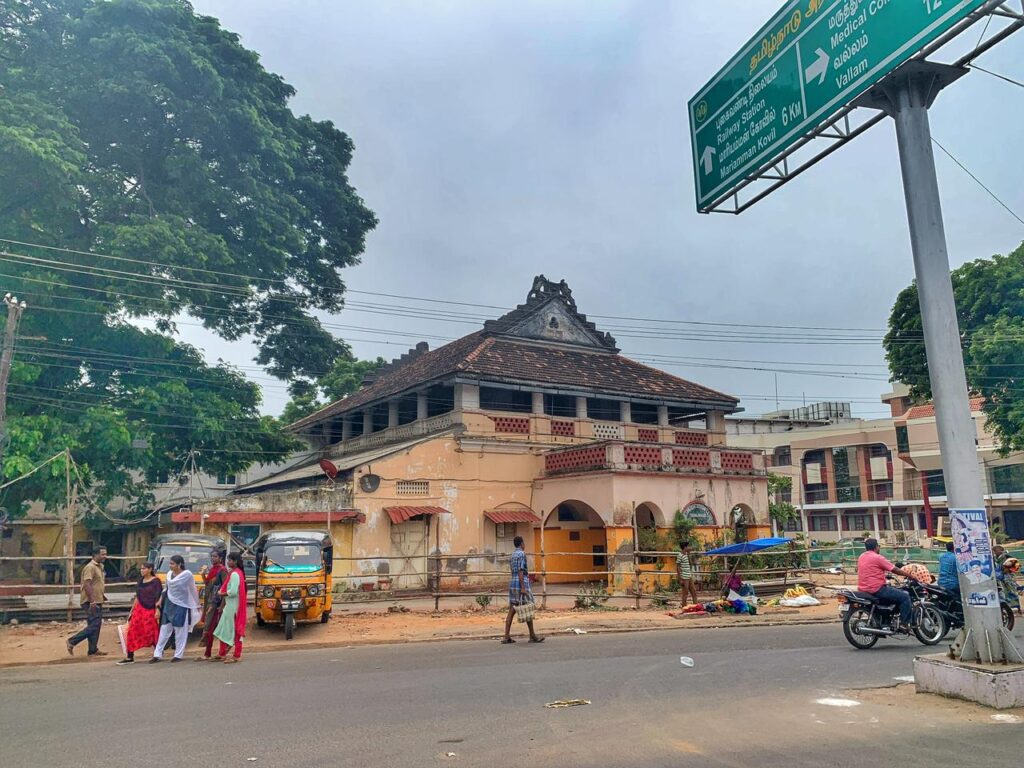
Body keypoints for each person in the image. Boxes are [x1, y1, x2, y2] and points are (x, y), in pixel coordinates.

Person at [151, 555, 200, 663]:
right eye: (170, 563)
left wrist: (196, 604)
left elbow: (192, 590)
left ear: (179, 564)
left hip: (181, 605)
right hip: (169, 604)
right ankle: (157, 654)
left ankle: (178, 654)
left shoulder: (187, 575)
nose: (170, 565)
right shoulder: (169, 574)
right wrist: (159, 601)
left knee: (180, 630)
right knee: (164, 629)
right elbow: (166, 589)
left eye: (172, 563)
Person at [857, 538, 915, 630]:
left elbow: (872, 570)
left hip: (863, 589)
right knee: (905, 596)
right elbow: (895, 569)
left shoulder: (861, 556)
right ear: (876, 547)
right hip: (877, 589)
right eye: (878, 546)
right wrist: (909, 575)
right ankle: (905, 624)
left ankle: (886, 620)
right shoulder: (878, 557)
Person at [117, 561, 162, 664]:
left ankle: (157, 653)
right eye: (141, 569)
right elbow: (137, 597)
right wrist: (131, 611)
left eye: (144, 568)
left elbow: (159, 596)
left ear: (150, 569)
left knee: (151, 631)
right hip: (139, 608)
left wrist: (158, 609)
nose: (142, 570)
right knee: (132, 631)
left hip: (151, 608)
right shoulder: (140, 581)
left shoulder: (156, 581)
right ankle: (130, 656)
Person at [67, 547, 108, 657]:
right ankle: (72, 641)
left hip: (97, 600)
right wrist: (92, 601)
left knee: (95, 625)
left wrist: (101, 596)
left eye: (105, 554)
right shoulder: (90, 567)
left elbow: (96, 583)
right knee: (95, 625)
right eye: (102, 554)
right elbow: (87, 584)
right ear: (95, 555)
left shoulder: (100, 567)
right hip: (90, 601)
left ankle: (93, 650)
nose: (105, 556)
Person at [502, 535, 543, 644]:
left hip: (513, 583)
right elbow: (521, 570)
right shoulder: (522, 554)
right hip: (521, 583)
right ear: (521, 544)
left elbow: (512, 571)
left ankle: (506, 636)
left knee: (512, 609)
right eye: (524, 543)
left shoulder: (513, 555)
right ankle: (532, 635)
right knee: (528, 607)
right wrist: (523, 587)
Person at [212, 551, 248, 663]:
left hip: (234, 607)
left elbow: (232, 592)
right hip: (230, 606)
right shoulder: (236, 572)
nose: (228, 562)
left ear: (236, 561)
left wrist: (221, 593)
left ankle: (237, 655)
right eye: (228, 560)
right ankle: (222, 652)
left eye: (230, 560)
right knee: (223, 629)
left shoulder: (235, 574)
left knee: (236, 631)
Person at [196, 549, 228, 661]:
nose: (213, 558)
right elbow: (208, 584)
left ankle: (210, 653)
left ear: (220, 558)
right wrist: (203, 575)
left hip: (215, 603)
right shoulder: (213, 569)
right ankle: (209, 652)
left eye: (215, 556)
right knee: (208, 627)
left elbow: (224, 588)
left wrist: (219, 605)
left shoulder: (222, 570)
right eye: (212, 556)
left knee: (210, 628)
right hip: (208, 601)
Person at [676, 541, 699, 608]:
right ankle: (684, 608)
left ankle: (696, 607)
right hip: (684, 577)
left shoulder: (686, 554)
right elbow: (677, 567)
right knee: (685, 593)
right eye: (688, 546)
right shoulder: (679, 555)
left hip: (689, 576)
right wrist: (680, 579)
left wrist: (688, 554)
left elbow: (690, 564)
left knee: (694, 592)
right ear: (685, 547)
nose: (689, 548)